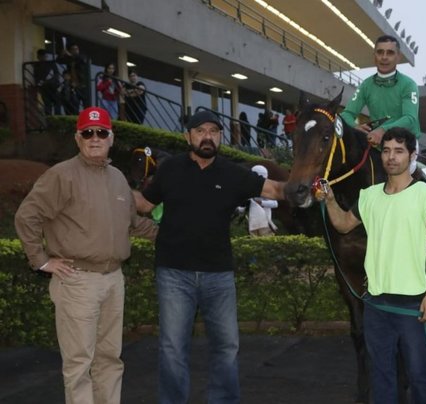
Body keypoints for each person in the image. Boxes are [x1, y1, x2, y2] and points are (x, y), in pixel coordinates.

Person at [133, 110, 286, 403]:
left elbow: (275, 189)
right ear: (188, 136)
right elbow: (143, 204)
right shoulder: (170, 169)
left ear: (220, 137)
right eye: (200, 131)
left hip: (219, 274)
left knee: (227, 347)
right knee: (173, 348)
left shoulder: (232, 173)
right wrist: (112, 186)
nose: (207, 136)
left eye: (214, 131)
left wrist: (313, 187)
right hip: (174, 273)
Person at [14, 106, 157, 404]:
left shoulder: (118, 178)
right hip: (77, 281)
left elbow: (134, 224)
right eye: (88, 133)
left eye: (101, 132)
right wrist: (40, 260)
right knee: (79, 364)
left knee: (110, 358)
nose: (95, 138)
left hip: (114, 279)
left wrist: (178, 234)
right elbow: (27, 216)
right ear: (78, 138)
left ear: (111, 138)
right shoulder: (61, 175)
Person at [317, 127, 426, 403]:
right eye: (386, 151)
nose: (391, 157)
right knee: (381, 375)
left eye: (399, 151)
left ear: (412, 155)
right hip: (375, 304)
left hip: (413, 305)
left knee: (420, 375)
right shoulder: (369, 196)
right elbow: (341, 225)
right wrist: (329, 200)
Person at [340, 34, 420, 173]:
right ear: (374, 56)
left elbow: (410, 119)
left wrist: (383, 130)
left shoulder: (409, 85)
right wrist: (355, 127)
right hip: (376, 145)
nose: (384, 57)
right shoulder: (366, 85)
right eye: (380, 52)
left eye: (390, 53)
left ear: (398, 57)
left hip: (406, 144)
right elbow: (346, 114)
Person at [247, 165, 278, 236]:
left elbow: (275, 203)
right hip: (252, 221)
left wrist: (261, 202)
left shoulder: (268, 188)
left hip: (265, 222)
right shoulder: (250, 187)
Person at [57, 43, 90, 108]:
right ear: (70, 50)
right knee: (74, 104)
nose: (75, 51)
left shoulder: (81, 57)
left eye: (76, 49)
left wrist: (70, 55)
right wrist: (62, 54)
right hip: (73, 85)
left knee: (86, 105)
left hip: (83, 85)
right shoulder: (69, 59)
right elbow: (58, 61)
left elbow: (82, 59)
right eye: (73, 49)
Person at [33, 49, 61, 115]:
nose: (44, 57)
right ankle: (52, 120)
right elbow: (36, 77)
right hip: (46, 87)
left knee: (55, 104)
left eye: (44, 56)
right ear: (38, 57)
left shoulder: (50, 64)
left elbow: (56, 74)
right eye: (42, 56)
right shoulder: (37, 65)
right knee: (49, 105)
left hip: (52, 87)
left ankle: (54, 120)